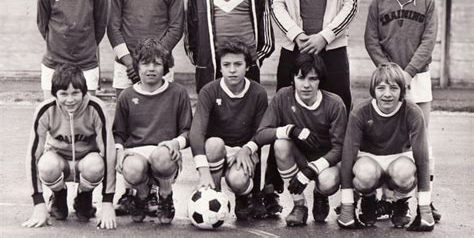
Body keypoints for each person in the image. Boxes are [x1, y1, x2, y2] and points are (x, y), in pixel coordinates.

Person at [265, 0, 359, 214]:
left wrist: (325, 35)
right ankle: (273, 189)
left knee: (339, 111)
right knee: (282, 114)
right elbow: (276, 3)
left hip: (331, 50)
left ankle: (334, 190)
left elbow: (351, 3)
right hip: (296, 49)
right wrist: (296, 34)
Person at [107, 0, 185, 215]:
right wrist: (130, 62)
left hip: (158, 67)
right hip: (126, 66)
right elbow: (112, 26)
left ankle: (159, 192)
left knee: (159, 127)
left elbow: (176, 27)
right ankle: (132, 192)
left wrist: (155, 63)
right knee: (127, 129)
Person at [364, 0, 440, 222]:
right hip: (387, 79)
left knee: (420, 141)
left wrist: (406, 74)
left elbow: (428, 40)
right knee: (387, 139)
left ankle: (425, 200)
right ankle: (388, 200)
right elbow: (371, 40)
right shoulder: (379, 2)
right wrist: (389, 72)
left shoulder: (427, 1)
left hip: (417, 78)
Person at [337, 63, 435, 232]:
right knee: (365, 174)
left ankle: (399, 201)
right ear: (373, 90)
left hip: (399, 158)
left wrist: (424, 206)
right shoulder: (361, 111)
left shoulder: (413, 111)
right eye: (381, 88)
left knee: (404, 173)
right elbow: (348, 155)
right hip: (369, 158)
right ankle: (368, 200)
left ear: (402, 91)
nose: (387, 94)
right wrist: (346, 204)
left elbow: (422, 158)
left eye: (394, 88)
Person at [255, 53, 347, 226]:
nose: (306, 85)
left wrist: (312, 169)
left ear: (320, 80)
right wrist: (291, 130)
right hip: (300, 158)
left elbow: (340, 148)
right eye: (301, 77)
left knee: (327, 183)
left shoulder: (334, 104)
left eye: (313, 79)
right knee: (281, 144)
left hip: (325, 163)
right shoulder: (283, 97)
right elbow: (261, 134)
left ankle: (320, 194)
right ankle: (299, 205)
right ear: (292, 79)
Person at [23, 64, 116, 229]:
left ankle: (84, 196)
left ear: (84, 91)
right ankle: (58, 195)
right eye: (63, 94)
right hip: (60, 161)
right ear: (54, 94)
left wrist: (108, 202)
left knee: (95, 165)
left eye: (75, 93)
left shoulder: (96, 108)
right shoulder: (45, 110)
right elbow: (33, 155)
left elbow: (108, 151)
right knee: (46, 165)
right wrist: (38, 202)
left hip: (86, 161)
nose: (70, 99)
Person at [112, 38, 192, 224]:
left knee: (161, 157)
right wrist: (120, 151)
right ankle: (142, 195)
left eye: (157, 64)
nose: (151, 68)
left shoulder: (178, 93)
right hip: (137, 153)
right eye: (145, 63)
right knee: (132, 168)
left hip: (164, 153)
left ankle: (165, 195)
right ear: (137, 67)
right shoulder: (127, 95)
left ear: (165, 67)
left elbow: (188, 131)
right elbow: (118, 133)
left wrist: (175, 143)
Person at [189, 40, 269, 220]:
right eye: (227, 65)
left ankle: (243, 197)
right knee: (213, 143)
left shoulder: (258, 93)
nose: (232, 70)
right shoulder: (209, 91)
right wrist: (203, 172)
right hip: (216, 151)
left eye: (238, 64)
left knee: (238, 180)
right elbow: (196, 132)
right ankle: (214, 194)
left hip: (243, 149)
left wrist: (246, 149)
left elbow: (261, 132)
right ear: (221, 67)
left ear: (247, 67)